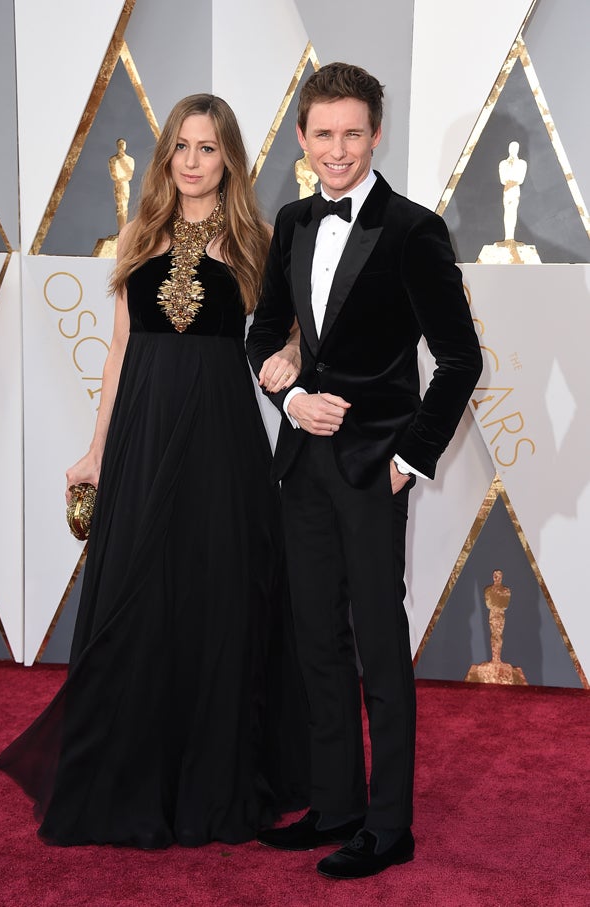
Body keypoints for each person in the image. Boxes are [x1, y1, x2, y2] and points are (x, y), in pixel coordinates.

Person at [0, 94, 309, 848]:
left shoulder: (254, 239)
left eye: (208, 147)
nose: (193, 161)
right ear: (167, 155)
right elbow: (119, 346)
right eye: (182, 147)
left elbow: (288, 335)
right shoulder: (138, 232)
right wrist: (97, 451)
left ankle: (211, 777)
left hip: (219, 437)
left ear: (229, 156)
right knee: (137, 596)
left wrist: (293, 361)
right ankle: (131, 772)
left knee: (215, 592)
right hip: (141, 429)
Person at [246, 62, 483, 880]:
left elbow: (459, 359)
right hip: (302, 464)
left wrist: (409, 460)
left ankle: (389, 826)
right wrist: (292, 395)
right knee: (315, 640)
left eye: (353, 133)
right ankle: (336, 802)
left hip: (373, 470)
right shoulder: (290, 220)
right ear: (302, 137)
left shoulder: (415, 230)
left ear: (376, 132)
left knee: (379, 648)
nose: (337, 150)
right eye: (323, 135)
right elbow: (263, 331)